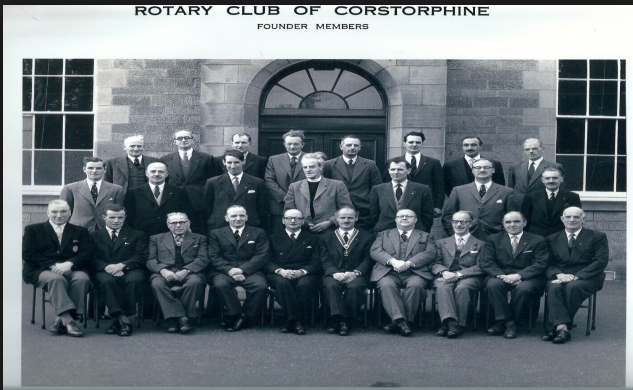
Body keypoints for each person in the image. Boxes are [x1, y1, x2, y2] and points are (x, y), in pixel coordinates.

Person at [22, 199, 93, 337]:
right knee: (57, 279)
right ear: (48, 213)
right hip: (41, 270)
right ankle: (69, 322)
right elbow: (28, 253)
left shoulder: (80, 231)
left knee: (82, 278)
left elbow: (88, 252)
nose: (59, 215)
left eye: (63, 211)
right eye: (54, 212)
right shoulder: (33, 230)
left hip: (71, 268)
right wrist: (52, 265)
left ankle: (59, 321)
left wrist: (70, 263)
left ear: (70, 213)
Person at [542, 207, 609, 344]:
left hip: (588, 277)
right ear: (562, 219)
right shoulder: (552, 238)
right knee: (553, 288)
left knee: (572, 287)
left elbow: (600, 261)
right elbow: (547, 263)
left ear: (583, 219)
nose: (572, 220)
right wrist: (559, 275)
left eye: (576, 217)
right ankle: (562, 328)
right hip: (560, 275)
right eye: (568, 217)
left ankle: (557, 326)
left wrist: (577, 276)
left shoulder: (597, 237)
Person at [479, 211, 548, 339]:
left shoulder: (538, 240)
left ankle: (504, 321)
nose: (512, 225)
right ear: (503, 224)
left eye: (516, 221)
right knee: (493, 285)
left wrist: (519, 276)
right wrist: (502, 276)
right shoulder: (493, 239)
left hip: (528, 277)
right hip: (501, 275)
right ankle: (509, 322)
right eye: (508, 222)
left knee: (523, 289)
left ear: (524, 223)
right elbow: (486, 261)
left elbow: (541, 263)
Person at [370, 209, 436, 337]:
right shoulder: (383, 234)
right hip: (389, 271)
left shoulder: (426, 235)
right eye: (401, 216)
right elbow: (375, 251)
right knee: (386, 285)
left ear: (415, 220)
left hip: (415, 272)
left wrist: (409, 263)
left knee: (416, 285)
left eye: (408, 216)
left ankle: (398, 321)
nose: (404, 218)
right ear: (395, 219)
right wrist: (392, 261)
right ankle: (403, 322)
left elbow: (430, 253)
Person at [207, 205, 270, 332]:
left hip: (250, 270)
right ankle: (236, 314)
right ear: (226, 218)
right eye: (234, 216)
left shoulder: (259, 232)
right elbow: (214, 256)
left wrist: (242, 270)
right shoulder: (216, 233)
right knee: (220, 285)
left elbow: (262, 255)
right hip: (224, 271)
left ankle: (246, 315)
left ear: (246, 217)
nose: (238, 218)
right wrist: (230, 270)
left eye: (241, 215)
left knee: (261, 287)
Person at [90, 204, 147, 337]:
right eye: (112, 217)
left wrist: (121, 265)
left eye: (120, 217)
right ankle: (124, 320)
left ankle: (118, 320)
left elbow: (140, 256)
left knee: (134, 280)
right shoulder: (94, 236)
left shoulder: (137, 234)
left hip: (130, 269)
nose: (116, 220)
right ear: (104, 217)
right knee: (107, 281)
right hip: (104, 270)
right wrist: (107, 267)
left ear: (125, 217)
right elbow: (91, 257)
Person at [147, 212, 209, 334]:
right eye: (174, 223)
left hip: (190, 271)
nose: (179, 225)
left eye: (182, 222)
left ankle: (172, 319)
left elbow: (203, 259)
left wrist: (187, 270)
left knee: (194, 282)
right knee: (157, 284)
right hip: (164, 272)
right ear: (168, 225)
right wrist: (163, 270)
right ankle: (183, 319)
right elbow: (151, 260)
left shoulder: (200, 238)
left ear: (188, 223)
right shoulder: (156, 238)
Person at [319, 206, 374, 336]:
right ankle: (341, 319)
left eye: (350, 217)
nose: (346, 220)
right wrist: (334, 272)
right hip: (333, 273)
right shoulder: (325, 237)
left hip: (356, 274)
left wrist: (356, 272)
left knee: (355, 287)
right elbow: (324, 258)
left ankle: (341, 320)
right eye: (342, 217)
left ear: (356, 218)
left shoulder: (367, 237)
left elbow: (368, 259)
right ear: (337, 218)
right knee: (330, 285)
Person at [431, 210, 486, 338]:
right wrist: (444, 272)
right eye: (455, 221)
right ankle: (450, 323)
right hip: (445, 275)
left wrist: (459, 274)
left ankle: (458, 324)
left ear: (470, 224)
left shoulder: (481, 243)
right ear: (451, 223)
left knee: (462, 288)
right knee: (442, 287)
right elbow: (434, 262)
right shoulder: (440, 243)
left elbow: (481, 266)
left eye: (463, 221)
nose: (459, 224)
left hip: (469, 277)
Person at [265, 209, 321, 335]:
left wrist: (303, 271)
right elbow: (266, 261)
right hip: (280, 272)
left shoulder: (313, 239)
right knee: (282, 284)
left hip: (304, 272)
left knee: (305, 285)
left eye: (297, 218)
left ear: (302, 221)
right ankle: (296, 321)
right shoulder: (272, 238)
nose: (293, 221)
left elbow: (316, 262)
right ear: (283, 220)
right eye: (289, 218)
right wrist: (281, 271)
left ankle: (291, 320)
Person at [442, 158, 519, 239]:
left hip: (496, 238)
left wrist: (505, 237)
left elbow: (513, 217)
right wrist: (455, 234)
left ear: (493, 170)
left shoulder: (507, 192)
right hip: (466, 237)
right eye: (478, 168)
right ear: (472, 171)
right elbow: (448, 216)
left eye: (486, 167)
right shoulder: (458, 190)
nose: (482, 170)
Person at [323, 135, 382, 231]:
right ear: (341, 146)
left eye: (356, 145)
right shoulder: (329, 165)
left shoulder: (370, 164)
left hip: (364, 212)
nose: (352, 147)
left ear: (360, 147)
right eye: (349, 145)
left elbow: (377, 189)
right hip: (338, 211)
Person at [283, 153, 353, 234]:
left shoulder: (337, 185)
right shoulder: (294, 187)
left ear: (320, 167)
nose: (308, 170)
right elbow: (288, 209)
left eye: (312, 167)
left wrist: (330, 222)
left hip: (329, 231)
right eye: (305, 167)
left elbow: (347, 208)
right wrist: (303, 223)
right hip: (303, 231)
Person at [202, 149, 268, 233]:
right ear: (224, 162)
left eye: (236, 162)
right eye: (229, 162)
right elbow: (206, 207)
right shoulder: (213, 182)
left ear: (243, 162)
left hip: (249, 226)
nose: (233, 166)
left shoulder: (257, 182)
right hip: (219, 226)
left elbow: (262, 208)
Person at [160, 130, 216, 229]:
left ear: (193, 140)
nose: (183, 140)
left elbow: (212, 181)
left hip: (199, 203)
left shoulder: (206, 158)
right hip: (175, 202)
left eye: (187, 138)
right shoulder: (165, 159)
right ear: (175, 142)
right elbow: (165, 182)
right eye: (180, 138)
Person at [124, 162, 195, 237]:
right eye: (153, 171)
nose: (157, 174)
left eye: (161, 171)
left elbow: (187, 214)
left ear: (167, 174)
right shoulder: (133, 192)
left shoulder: (179, 192)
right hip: (143, 236)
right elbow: (129, 217)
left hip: (171, 236)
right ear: (146, 174)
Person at [384, 131, 444, 217]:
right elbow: (386, 184)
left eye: (418, 142)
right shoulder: (392, 162)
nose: (414, 144)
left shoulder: (433, 163)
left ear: (422, 144)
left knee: (423, 229)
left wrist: (438, 206)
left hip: (423, 204)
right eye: (411, 142)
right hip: (399, 204)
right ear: (404, 143)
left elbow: (439, 186)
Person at [369, 157, 434, 234]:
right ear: (388, 171)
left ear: (408, 171)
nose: (396, 172)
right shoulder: (378, 189)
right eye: (393, 169)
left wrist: (422, 232)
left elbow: (427, 216)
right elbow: (374, 215)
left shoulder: (422, 189)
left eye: (400, 169)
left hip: (414, 233)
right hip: (384, 233)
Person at [60, 157, 125, 232]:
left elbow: (119, 214)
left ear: (105, 170)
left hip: (105, 232)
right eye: (90, 168)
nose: (94, 171)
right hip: (78, 232)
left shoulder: (116, 189)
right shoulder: (70, 189)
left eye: (98, 168)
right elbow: (63, 213)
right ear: (84, 169)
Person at [264, 129, 307, 235]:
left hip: (305, 205)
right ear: (284, 144)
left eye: (296, 144)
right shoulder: (274, 159)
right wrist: (286, 197)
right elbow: (269, 180)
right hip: (279, 207)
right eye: (289, 144)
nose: (292, 146)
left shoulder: (310, 158)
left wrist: (299, 198)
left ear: (302, 144)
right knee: (278, 236)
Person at [521, 167, 581, 237]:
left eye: (555, 178)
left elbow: (577, 220)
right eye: (547, 178)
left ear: (561, 179)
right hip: (536, 238)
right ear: (542, 180)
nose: (551, 181)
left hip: (561, 238)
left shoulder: (572, 197)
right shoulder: (530, 197)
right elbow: (524, 220)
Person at [508, 138, 564, 205]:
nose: (531, 151)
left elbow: (560, 190)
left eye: (534, 148)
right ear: (523, 151)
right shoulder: (515, 167)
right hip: (519, 205)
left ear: (542, 149)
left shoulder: (555, 167)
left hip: (542, 205)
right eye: (527, 149)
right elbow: (511, 188)